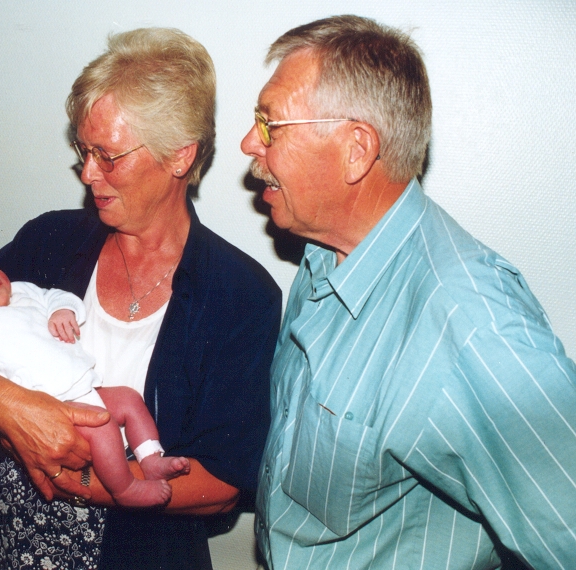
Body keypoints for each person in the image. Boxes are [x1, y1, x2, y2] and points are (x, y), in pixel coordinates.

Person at [0, 28, 281, 569]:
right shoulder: (52, 240)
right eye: (83, 150)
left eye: (108, 155)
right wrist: (12, 410)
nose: (87, 173)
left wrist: (77, 476)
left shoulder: (240, 296)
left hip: (132, 549)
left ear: (180, 156)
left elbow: (222, 483)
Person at [241, 15, 576, 570]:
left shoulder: (469, 320)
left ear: (356, 149)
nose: (250, 142)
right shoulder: (323, 253)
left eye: (270, 123)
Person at [0, 250, 191, 508]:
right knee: (102, 427)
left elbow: (54, 296)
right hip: (50, 405)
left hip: (82, 383)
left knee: (129, 399)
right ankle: (125, 488)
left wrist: (61, 310)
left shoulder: (21, 292)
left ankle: (151, 459)